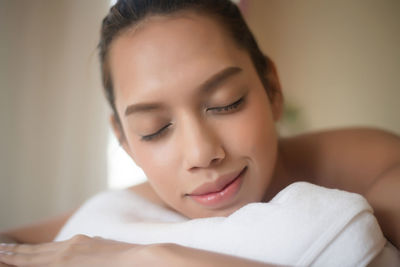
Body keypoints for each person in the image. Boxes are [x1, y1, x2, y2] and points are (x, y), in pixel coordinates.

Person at [0, 0, 399, 266]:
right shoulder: (130, 204)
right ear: (124, 141)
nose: (200, 153)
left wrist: (147, 258)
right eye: (153, 130)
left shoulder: (380, 171)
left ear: (272, 88)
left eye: (225, 103)